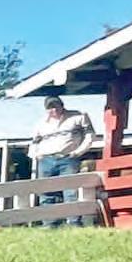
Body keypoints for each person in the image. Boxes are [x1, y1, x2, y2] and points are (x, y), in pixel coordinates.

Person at [31, 95, 95, 226]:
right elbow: (34, 142)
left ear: (62, 106)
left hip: (68, 158)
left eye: (56, 106)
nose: (54, 110)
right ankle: (49, 223)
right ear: (46, 109)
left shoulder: (78, 117)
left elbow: (90, 135)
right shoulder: (41, 123)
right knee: (46, 192)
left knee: (70, 191)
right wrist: (36, 155)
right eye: (50, 108)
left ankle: (73, 222)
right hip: (46, 159)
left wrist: (78, 152)